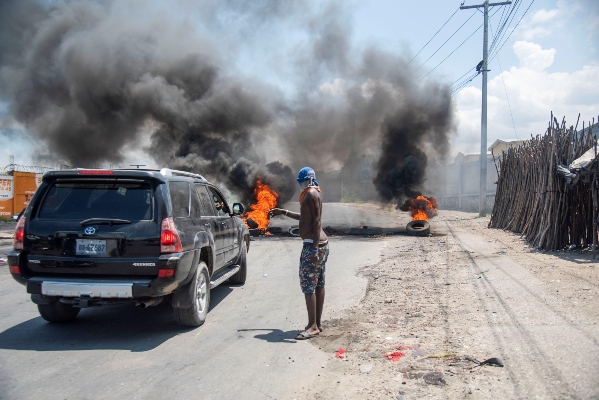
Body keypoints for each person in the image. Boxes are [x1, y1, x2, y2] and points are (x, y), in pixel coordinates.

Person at [269, 167, 329, 340]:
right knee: (318, 283)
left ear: (308, 180)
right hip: (320, 244)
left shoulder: (310, 193)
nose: (301, 184)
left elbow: (317, 222)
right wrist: (284, 212)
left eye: (302, 181)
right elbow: (306, 218)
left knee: (308, 285)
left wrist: (315, 249)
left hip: (313, 245)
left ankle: (312, 327)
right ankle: (317, 323)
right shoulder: (315, 193)